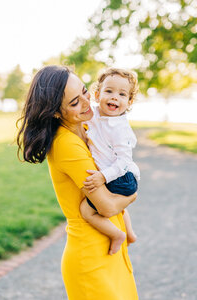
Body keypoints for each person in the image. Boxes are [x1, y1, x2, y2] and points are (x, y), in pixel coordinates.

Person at [17, 65, 139, 300]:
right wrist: (134, 195)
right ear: (55, 112)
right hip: (90, 257)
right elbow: (106, 206)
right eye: (74, 102)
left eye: (84, 91)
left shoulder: (87, 128)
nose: (86, 102)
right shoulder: (66, 144)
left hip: (109, 249)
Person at [80, 68, 140, 256]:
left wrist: (103, 177)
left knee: (87, 210)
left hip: (121, 177)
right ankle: (130, 233)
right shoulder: (95, 113)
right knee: (118, 204)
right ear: (97, 95)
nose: (115, 97)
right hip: (119, 177)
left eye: (122, 94)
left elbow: (124, 161)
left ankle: (117, 235)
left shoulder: (119, 129)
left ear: (129, 102)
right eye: (109, 91)